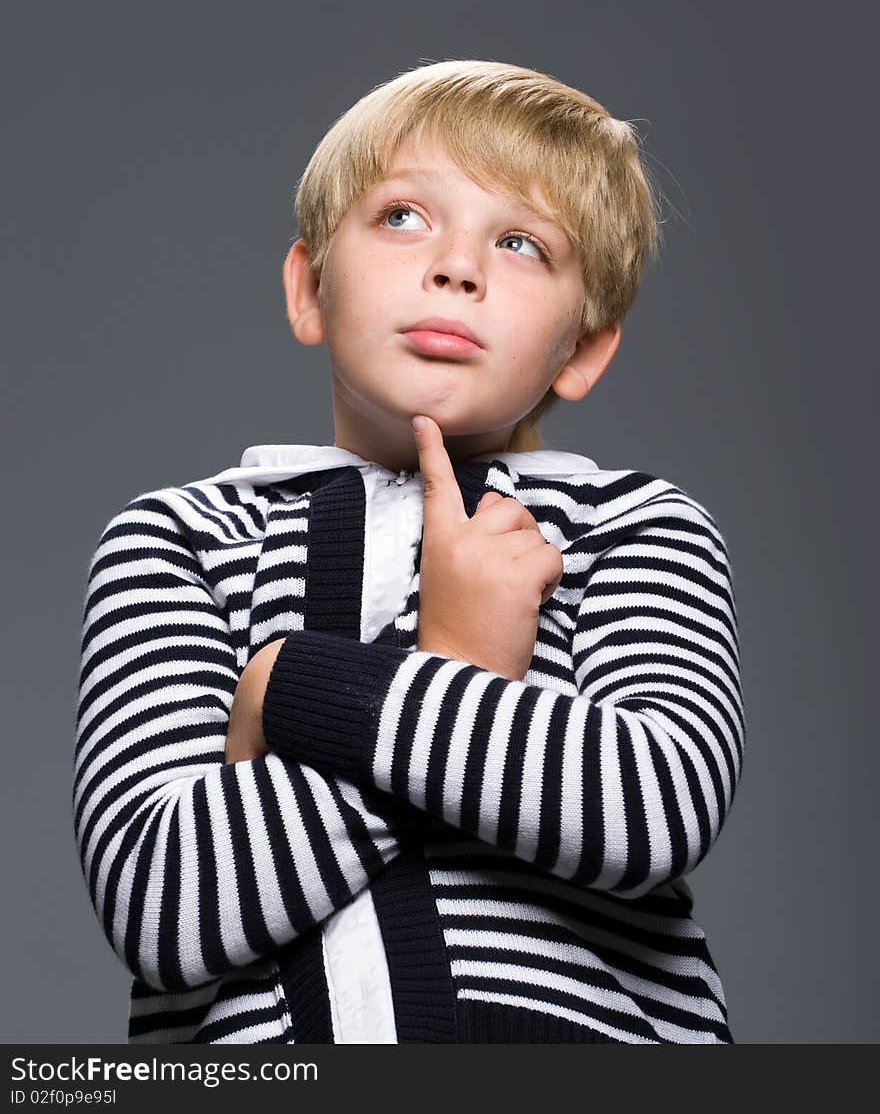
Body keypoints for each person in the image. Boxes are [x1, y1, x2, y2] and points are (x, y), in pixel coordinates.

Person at [73, 59, 745, 1044]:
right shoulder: (181, 538)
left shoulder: (629, 526)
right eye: (401, 217)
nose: (457, 267)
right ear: (309, 289)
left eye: (520, 242)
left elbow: (649, 806)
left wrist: (290, 689)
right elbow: (162, 905)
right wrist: (459, 664)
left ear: (582, 350)